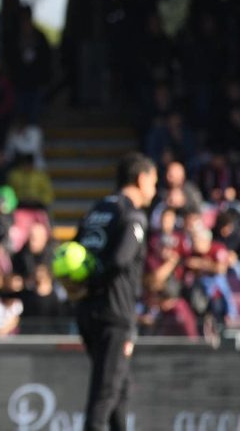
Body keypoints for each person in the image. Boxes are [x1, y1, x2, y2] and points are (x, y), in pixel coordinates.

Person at [73, 152, 157, 431]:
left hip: (87, 310)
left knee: (118, 390)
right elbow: (120, 260)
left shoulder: (97, 210)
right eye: (153, 183)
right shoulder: (132, 215)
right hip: (114, 314)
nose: (154, 191)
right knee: (105, 396)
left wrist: (82, 286)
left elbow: (73, 253)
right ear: (141, 178)